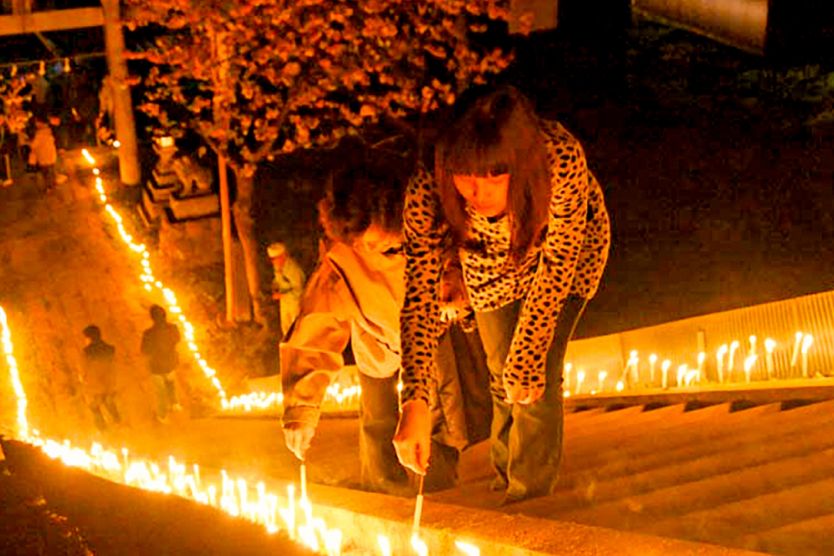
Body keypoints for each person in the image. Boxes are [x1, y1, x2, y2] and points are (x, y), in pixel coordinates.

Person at [393, 86, 611, 503]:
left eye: (495, 175)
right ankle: (504, 474)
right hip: (487, 262)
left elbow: (560, 261)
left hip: (560, 254)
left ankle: (528, 498)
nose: (479, 192)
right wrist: (415, 400)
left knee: (532, 374)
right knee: (499, 373)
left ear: (520, 162)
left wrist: (528, 356)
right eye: (466, 176)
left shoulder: (559, 158)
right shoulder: (428, 188)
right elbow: (420, 297)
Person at [281, 162, 490, 495]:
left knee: (439, 424)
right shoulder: (343, 256)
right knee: (378, 423)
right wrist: (301, 408)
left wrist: (456, 296)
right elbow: (318, 325)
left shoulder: (430, 224)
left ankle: (435, 501)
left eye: (381, 244)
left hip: (430, 341)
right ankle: (382, 497)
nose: (367, 250)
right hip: (376, 345)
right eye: (359, 244)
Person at [141, 304, 183, 422]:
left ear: (152, 317)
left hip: (156, 366)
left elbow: (144, 350)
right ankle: (174, 404)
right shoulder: (173, 328)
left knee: (160, 391)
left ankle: (162, 415)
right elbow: (177, 339)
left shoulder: (148, 333)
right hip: (170, 362)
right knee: (171, 382)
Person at [80, 325, 121, 431]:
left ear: (89, 338)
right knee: (109, 402)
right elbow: (114, 366)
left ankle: (103, 429)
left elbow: (83, 370)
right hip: (109, 382)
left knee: (95, 408)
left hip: (95, 385)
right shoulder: (110, 349)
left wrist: (83, 379)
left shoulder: (86, 353)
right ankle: (117, 421)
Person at [267, 241, 306, 338]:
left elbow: (299, 291)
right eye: (272, 259)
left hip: (295, 304)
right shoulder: (278, 267)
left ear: (283, 256)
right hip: (285, 303)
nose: (273, 262)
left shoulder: (293, 269)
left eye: (275, 259)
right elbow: (278, 280)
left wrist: (282, 295)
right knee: (286, 330)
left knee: (296, 331)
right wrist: (275, 287)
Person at [27, 116, 57, 192]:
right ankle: (53, 184)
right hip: (51, 156)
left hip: (44, 158)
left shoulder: (39, 135)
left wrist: (29, 142)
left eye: (37, 122)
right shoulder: (49, 132)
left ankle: (49, 187)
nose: (36, 124)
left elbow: (34, 146)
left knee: (46, 173)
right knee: (51, 171)